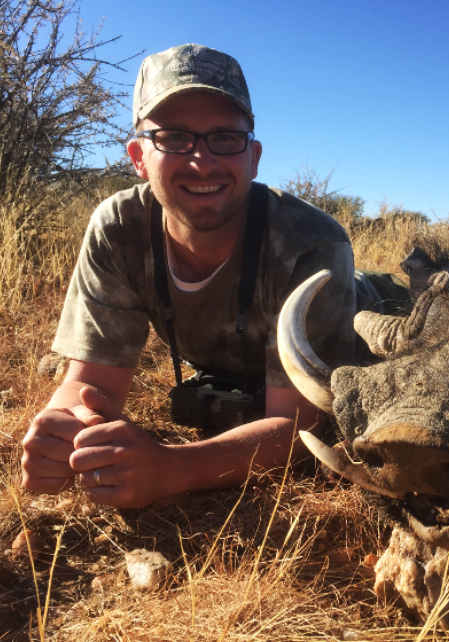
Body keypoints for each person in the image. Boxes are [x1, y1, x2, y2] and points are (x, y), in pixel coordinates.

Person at [21, 44, 359, 508]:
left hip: (363, 309)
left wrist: (175, 468)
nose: (202, 160)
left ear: (254, 157)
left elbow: (300, 424)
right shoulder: (118, 229)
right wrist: (68, 424)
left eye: (224, 137)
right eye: (174, 137)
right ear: (138, 156)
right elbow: (92, 385)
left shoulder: (314, 243)